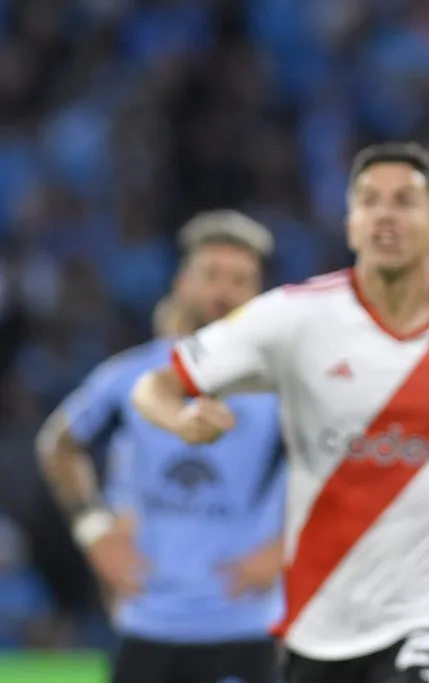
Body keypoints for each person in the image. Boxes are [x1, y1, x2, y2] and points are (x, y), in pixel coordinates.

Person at [130, 142, 429, 683]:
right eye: (369, 201)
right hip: (321, 618)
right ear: (351, 226)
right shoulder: (293, 319)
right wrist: (180, 419)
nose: (385, 214)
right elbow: (155, 385)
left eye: (405, 201)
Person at [36, 212, 287, 683]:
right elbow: (59, 443)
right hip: (148, 621)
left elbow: (339, 467)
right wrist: (94, 531)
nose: (223, 293)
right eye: (210, 275)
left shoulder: (281, 388)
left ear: (258, 295)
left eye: (240, 280)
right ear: (181, 282)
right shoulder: (127, 377)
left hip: (248, 625)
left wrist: (289, 549)